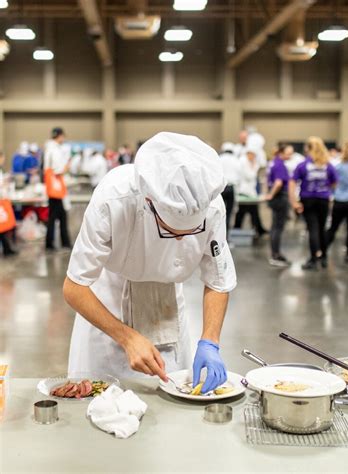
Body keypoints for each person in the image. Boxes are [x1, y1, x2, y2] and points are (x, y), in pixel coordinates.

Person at [63, 132, 237, 394]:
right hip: (108, 306)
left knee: (169, 404)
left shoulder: (211, 204)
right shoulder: (114, 198)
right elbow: (74, 287)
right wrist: (127, 337)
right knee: (100, 403)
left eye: (190, 231)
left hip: (166, 309)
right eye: (171, 229)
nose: (180, 238)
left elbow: (218, 280)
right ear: (148, 201)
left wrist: (210, 341)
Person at [289, 137, 338, 270]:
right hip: (323, 199)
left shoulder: (303, 164)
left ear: (308, 149)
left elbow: (292, 182)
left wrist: (294, 201)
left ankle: (313, 258)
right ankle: (324, 257)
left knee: (313, 229)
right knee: (321, 228)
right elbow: (335, 182)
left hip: (308, 199)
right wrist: (326, 188)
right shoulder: (327, 164)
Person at [44, 127, 71, 251]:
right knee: (58, 217)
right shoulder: (54, 150)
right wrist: (67, 167)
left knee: (56, 217)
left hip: (53, 189)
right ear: (60, 136)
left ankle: (55, 242)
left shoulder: (49, 149)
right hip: (56, 190)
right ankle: (60, 243)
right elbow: (57, 169)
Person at [266, 144, 291, 267]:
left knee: (275, 226)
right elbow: (278, 182)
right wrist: (271, 194)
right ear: (281, 153)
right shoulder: (279, 164)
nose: (290, 155)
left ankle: (275, 253)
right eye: (288, 153)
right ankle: (275, 255)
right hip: (280, 198)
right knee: (277, 227)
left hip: (276, 198)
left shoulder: (274, 163)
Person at [234, 146, 267, 236]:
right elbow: (250, 176)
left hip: (249, 192)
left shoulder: (248, 161)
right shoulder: (243, 161)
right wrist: (255, 166)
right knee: (243, 212)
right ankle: (238, 228)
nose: (254, 157)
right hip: (244, 192)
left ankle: (258, 228)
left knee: (252, 211)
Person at [219, 142, 241, 236]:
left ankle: (219, 238)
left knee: (220, 213)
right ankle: (226, 238)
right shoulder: (236, 160)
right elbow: (240, 175)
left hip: (221, 189)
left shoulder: (219, 158)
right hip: (231, 188)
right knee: (228, 214)